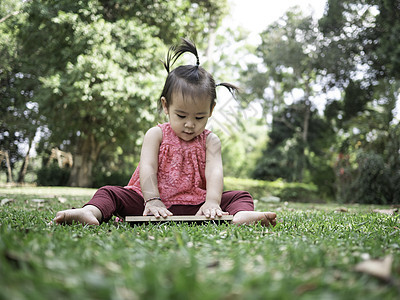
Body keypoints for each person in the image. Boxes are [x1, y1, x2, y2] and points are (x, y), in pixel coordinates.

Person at [53, 38, 277, 226]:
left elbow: (215, 173)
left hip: (196, 205)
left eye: (199, 117)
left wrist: (211, 202)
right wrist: (153, 200)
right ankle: (91, 212)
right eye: (181, 116)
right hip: (148, 203)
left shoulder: (211, 141)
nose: (190, 124)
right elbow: (148, 167)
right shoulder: (156, 134)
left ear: (211, 110)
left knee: (240, 196)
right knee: (110, 192)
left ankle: (241, 216)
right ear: (166, 106)